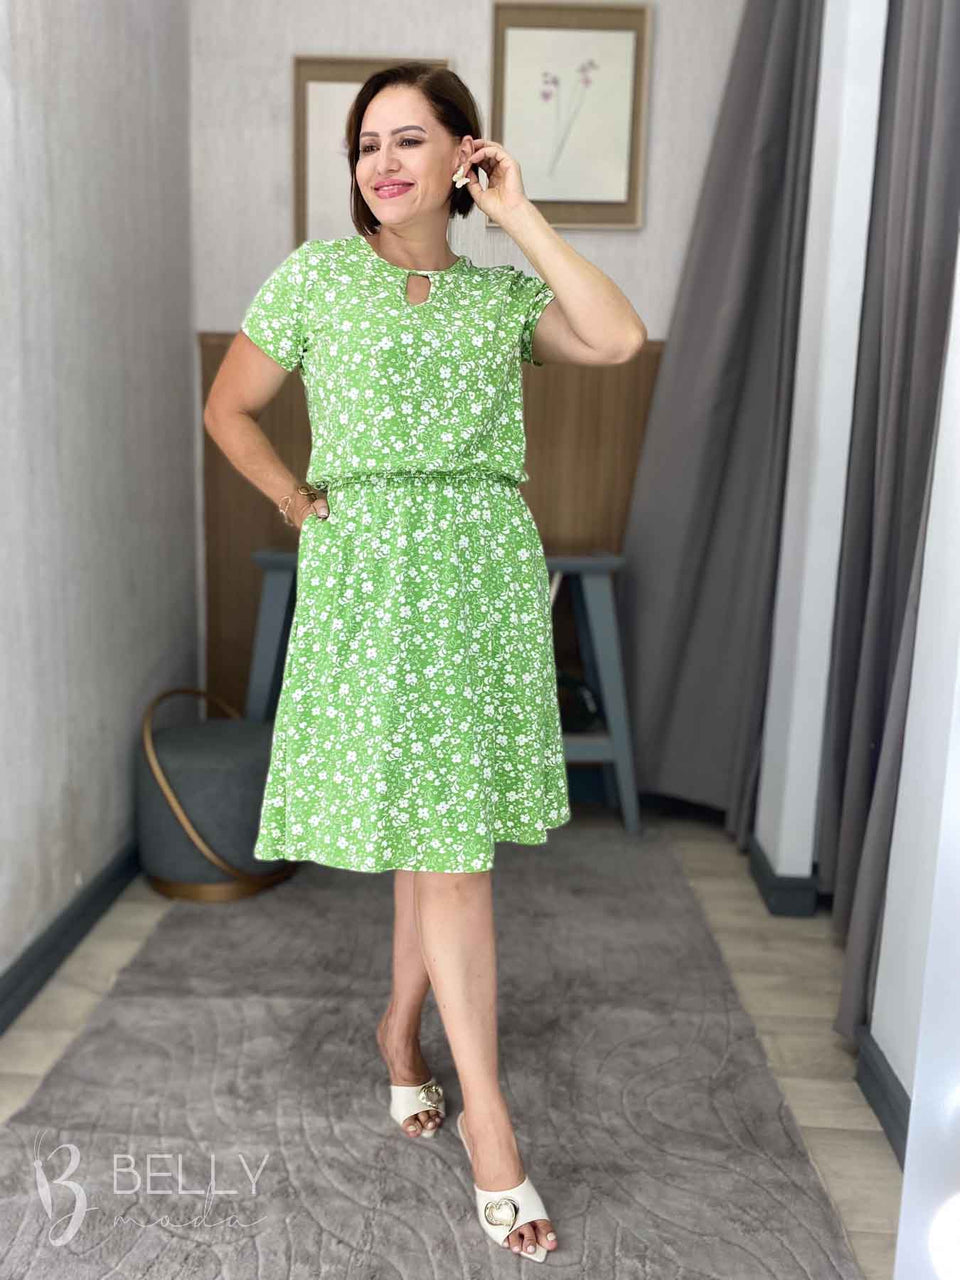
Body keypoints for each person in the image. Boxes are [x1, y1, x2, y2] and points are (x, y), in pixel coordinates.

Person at [204, 61, 646, 1265]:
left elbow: (617, 337)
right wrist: (295, 497)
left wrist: (517, 213)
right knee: (437, 840)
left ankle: (406, 1033)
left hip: (480, 573)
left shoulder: (500, 300)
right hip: (366, 575)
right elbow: (229, 408)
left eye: (411, 139)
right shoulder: (314, 276)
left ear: (464, 154)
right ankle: (485, 1122)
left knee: (445, 841)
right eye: (366, 144)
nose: (383, 163)